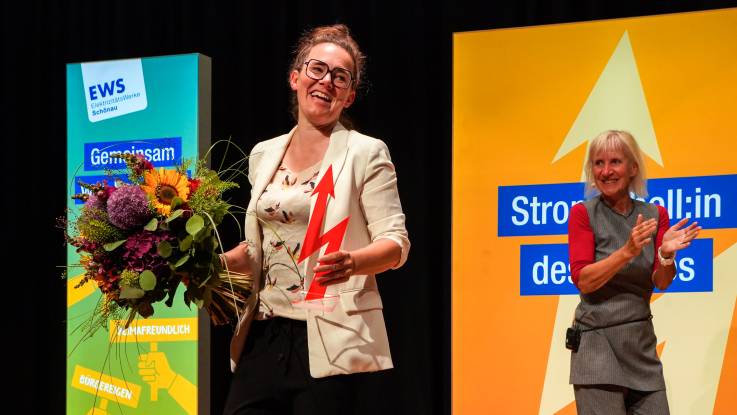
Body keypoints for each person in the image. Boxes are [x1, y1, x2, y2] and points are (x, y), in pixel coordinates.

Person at [220, 24, 410, 415]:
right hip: (263, 334)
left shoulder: (366, 153)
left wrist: (353, 262)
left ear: (349, 96)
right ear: (295, 77)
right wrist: (221, 267)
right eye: (317, 69)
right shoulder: (262, 154)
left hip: (332, 337)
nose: (327, 81)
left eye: (340, 76)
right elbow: (263, 246)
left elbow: (396, 244)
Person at [567, 130, 700, 414]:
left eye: (615, 161)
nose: (605, 171)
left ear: (633, 168)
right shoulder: (583, 214)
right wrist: (626, 252)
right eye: (598, 163)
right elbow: (583, 280)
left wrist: (665, 254)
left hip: (639, 343)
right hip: (596, 345)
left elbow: (661, 282)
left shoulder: (655, 214)